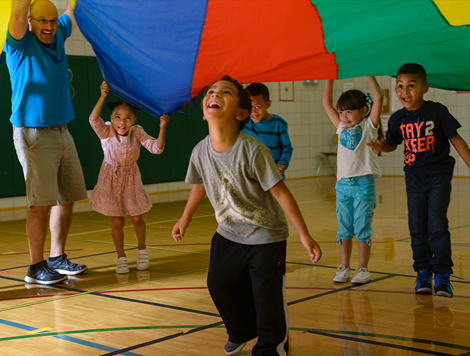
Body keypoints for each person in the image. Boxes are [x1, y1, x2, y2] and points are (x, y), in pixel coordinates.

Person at [171, 76, 322, 356]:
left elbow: (281, 193)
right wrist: (185, 218)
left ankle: (271, 348)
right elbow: (200, 185)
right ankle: (241, 330)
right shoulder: (200, 151)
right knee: (218, 283)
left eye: (225, 92)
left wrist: (304, 235)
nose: (215, 95)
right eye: (211, 92)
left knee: (267, 297)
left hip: (266, 236)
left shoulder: (252, 150)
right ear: (204, 110)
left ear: (241, 114)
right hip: (229, 233)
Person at [368, 63, 470, 298]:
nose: (405, 91)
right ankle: (423, 271)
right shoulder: (397, 119)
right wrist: (381, 145)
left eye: (411, 86)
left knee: (437, 224)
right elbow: (392, 144)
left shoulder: (438, 111)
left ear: (425, 88)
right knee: (417, 226)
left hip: (438, 175)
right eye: (400, 86)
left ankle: (443, 274)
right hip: (413, 177)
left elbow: (456, 140)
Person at [6, 0, 88, 285]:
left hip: (62, 131)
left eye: (52, 21)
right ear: (30, 21)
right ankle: (35, 267)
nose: (50, 27)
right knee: (41, 203)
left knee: (67, 198)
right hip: (34, 133)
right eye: (43, 21)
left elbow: (72, 13)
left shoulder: (58, 32)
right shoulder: (18, 43)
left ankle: (56, 258)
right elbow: (17, 10)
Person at [89, 81, 170, 274]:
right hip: (110, 178)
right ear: (111, 118)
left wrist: (163, 126)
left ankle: (142, 250)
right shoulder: (106, 131)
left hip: (131, 178)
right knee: (117, 221)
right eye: (117, 117)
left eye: (127, 118)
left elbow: (157, 148)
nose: (122, 122)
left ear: (133, 120)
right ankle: (121, 257)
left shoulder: (137, 132)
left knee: (136, 218)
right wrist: (102, 96)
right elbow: (93, 120)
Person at [323, 76, 383, 284]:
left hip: (363, 185)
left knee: (362, 228)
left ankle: (363, 269)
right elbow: (326, 104)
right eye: (341, 112)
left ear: (363, 111)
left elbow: (379, 97)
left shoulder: (369, 127)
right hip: (343, 187)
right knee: (344, 228)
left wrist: (369, 75)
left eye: (349, 111)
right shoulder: (340, 128)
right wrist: (329, 79)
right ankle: (345, 268)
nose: (344, 116)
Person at [242, 83, 293, 179]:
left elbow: (287, 148)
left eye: (257, 106)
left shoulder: (278, 123)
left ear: (268, 104)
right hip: (251, 178)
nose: (253, 112)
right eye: (249, 106)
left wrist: (282, 164)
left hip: (273, 177)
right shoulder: (244, 122)